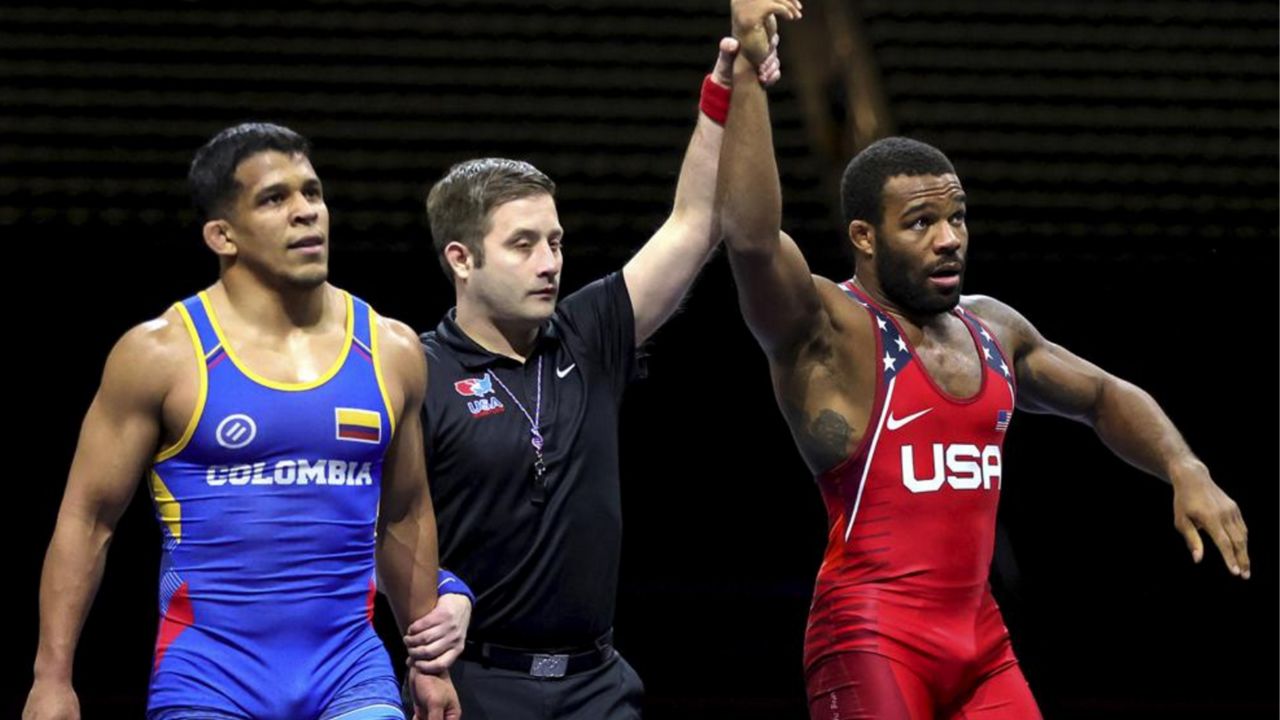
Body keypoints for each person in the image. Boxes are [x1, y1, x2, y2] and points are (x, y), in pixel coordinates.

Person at [716, 2, 1251, 718]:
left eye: (957, 217)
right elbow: (751, 241)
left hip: (982, 644)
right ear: (864, 237)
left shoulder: (993, 330)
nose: (949, 239)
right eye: (922, 223)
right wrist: (748, 71)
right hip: (871, 636)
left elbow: (1102, 395)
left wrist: (1185, 468)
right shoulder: (828, 328)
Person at [400, 29, 795, 720]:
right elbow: (382, 521)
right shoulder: (417, 369)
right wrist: (441, 589)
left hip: (598, 686)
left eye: (555, 241)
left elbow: (696, 221)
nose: (550, 261)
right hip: (478, 685)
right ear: (461, 259)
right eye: (523, 245)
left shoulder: (589, 331)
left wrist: (724, 85)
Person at [23, 123, 460, 720]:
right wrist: (53, 679)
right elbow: (88, 519)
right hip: (209, 679)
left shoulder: (391, 350)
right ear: (222, 235)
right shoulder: (160, 356)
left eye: (313, 192)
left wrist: (427, 664)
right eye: (275, 198)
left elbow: (406, 511)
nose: (306, 213)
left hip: (350, 672)